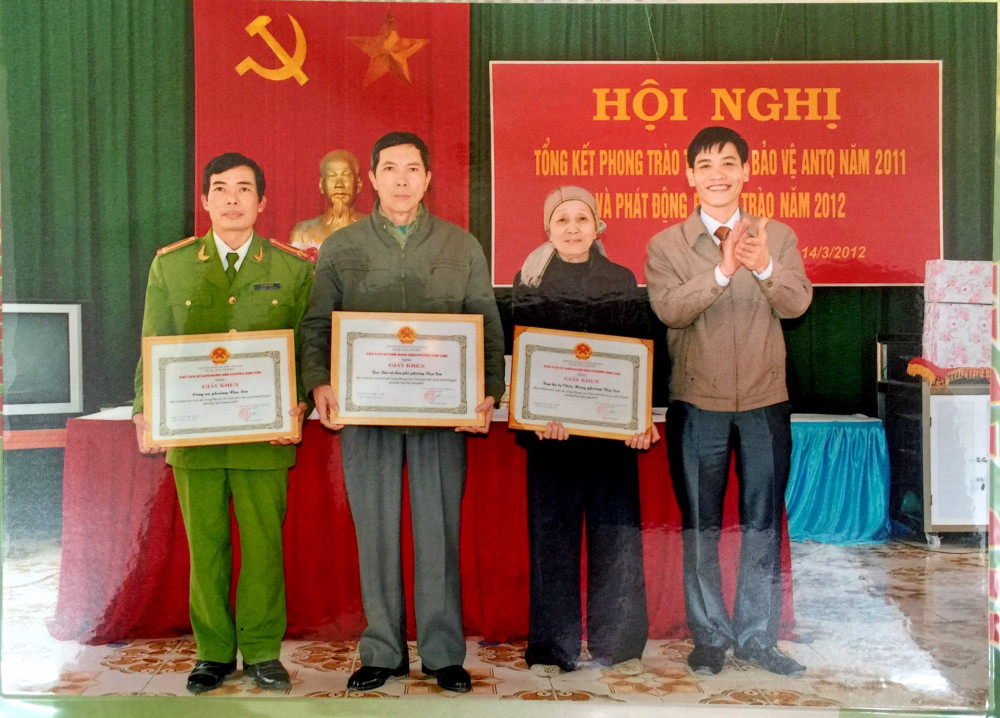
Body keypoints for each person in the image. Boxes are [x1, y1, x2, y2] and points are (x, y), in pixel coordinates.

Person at [299, 132, 505, 694]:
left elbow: (486, 322)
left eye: (412, 169)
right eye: (389, 168)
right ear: (371, 177)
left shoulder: (461, 245)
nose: (401, 179)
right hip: (367, 415)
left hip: (443, 415)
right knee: (376, 531)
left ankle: (442, 654)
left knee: (439, 533)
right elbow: (317, 322)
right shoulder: (342, 247)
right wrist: (318, 381)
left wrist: (488, 390)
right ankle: (382, 651)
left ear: (428, 178)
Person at [132, 152, 314, 694]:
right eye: (220, 188)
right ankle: (212, 652)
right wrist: (144, 409)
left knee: (263, 547)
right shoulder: (171, 266)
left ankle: (261, 651)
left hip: (265, 434)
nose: (232, 199)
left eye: (244, 189)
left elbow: (307, 347)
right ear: (205, 200)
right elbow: (152, 343)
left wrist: (299, 404)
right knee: (205, 545)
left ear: (263, 201)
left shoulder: (292, 268)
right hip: (194, 435)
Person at [644, 127, 812, 677]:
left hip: (765, 402)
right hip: (698, 403)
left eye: (728, 163)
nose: (718, 174)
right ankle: (710, 637)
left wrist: (763, 266)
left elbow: (797, 303)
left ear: (746, 172)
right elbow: (670, 310)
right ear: (689, 175)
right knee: (701, 524)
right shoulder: (666, 245)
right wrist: (723, 271)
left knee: (762, 522)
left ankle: (758, 638)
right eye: (706, 165)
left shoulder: (776, 235)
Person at [512, 186, 656, 677]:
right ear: (547, 228)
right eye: (562, 220)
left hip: (611, 439)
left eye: (581, 219)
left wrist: (639, 419)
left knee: (616, 540)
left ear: (598, 227)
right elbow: (521, 356)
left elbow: (641, 351)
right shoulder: (530, 280)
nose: (572, 228)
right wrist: (535, 417)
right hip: (551, 438)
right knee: (552, 541)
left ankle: (619, 646)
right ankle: (552, 649)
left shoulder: (621, 279)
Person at [289, 149, 366, 258]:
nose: (339, 184)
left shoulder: (375, 230)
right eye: (332, 176)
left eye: (346, 175)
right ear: (321, 185)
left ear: (358, 184)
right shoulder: (303, 233)